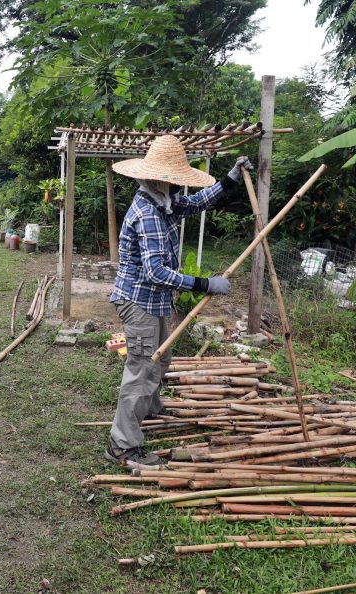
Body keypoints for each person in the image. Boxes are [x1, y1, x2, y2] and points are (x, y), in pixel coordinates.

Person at [106, 135, 252, 467]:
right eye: (174, 180)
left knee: (161, 360)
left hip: (154, 301)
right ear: (160, 179)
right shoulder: (148, 213)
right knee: (142, 368)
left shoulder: (164, 202)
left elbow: (197, 202)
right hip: (139, 300)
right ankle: (121, 445)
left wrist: (230, 179)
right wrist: (204, 284)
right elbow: (156, 272)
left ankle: (150, 409)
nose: (178, 186)